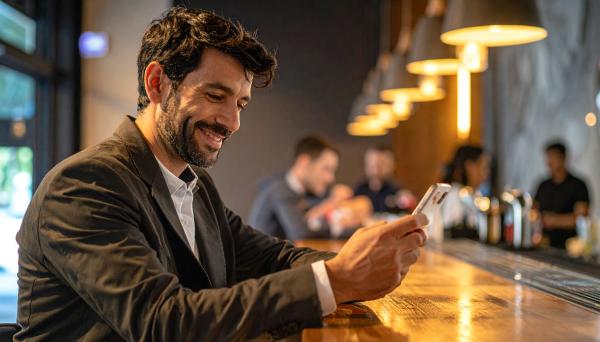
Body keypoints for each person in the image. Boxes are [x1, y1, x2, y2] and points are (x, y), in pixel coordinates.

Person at [15, 7, 428, 341]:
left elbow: (271, 258)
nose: (232, 122)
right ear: (158, 83)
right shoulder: (86, 185)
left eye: (242, 104)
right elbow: (163, 321)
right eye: (216, 96)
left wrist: (361, 265)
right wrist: (336, 280)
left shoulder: (195, 185)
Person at [249, 135, 370, 240]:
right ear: (304, 161)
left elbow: (311, 220)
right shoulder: (280, 190)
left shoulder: (294, 191)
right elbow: (301, 232)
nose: (331, 178)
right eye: (326, 169)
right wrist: (338, 226)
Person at [534, 141, 590, 249]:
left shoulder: (578, 185)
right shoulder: (543, 185)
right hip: (544, 245)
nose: (549, 161)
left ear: (563, 158)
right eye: (548, 157)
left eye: (553, 156)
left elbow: (582, 219)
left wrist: (554, 220)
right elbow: (534, 211)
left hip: (570, 247)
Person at [440, 145, 489, 237]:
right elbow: (449, 230)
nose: (487, 172)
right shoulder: (455, 194)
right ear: (469, 167)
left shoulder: (477, 194)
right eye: (483, 166)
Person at [354, 145, 415, 213]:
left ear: (392, 165)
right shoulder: (359, 189)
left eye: (381, 164)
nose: (376, 169)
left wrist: (408, 202)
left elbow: (409, 204)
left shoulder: (397, 190)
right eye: (372, 164)